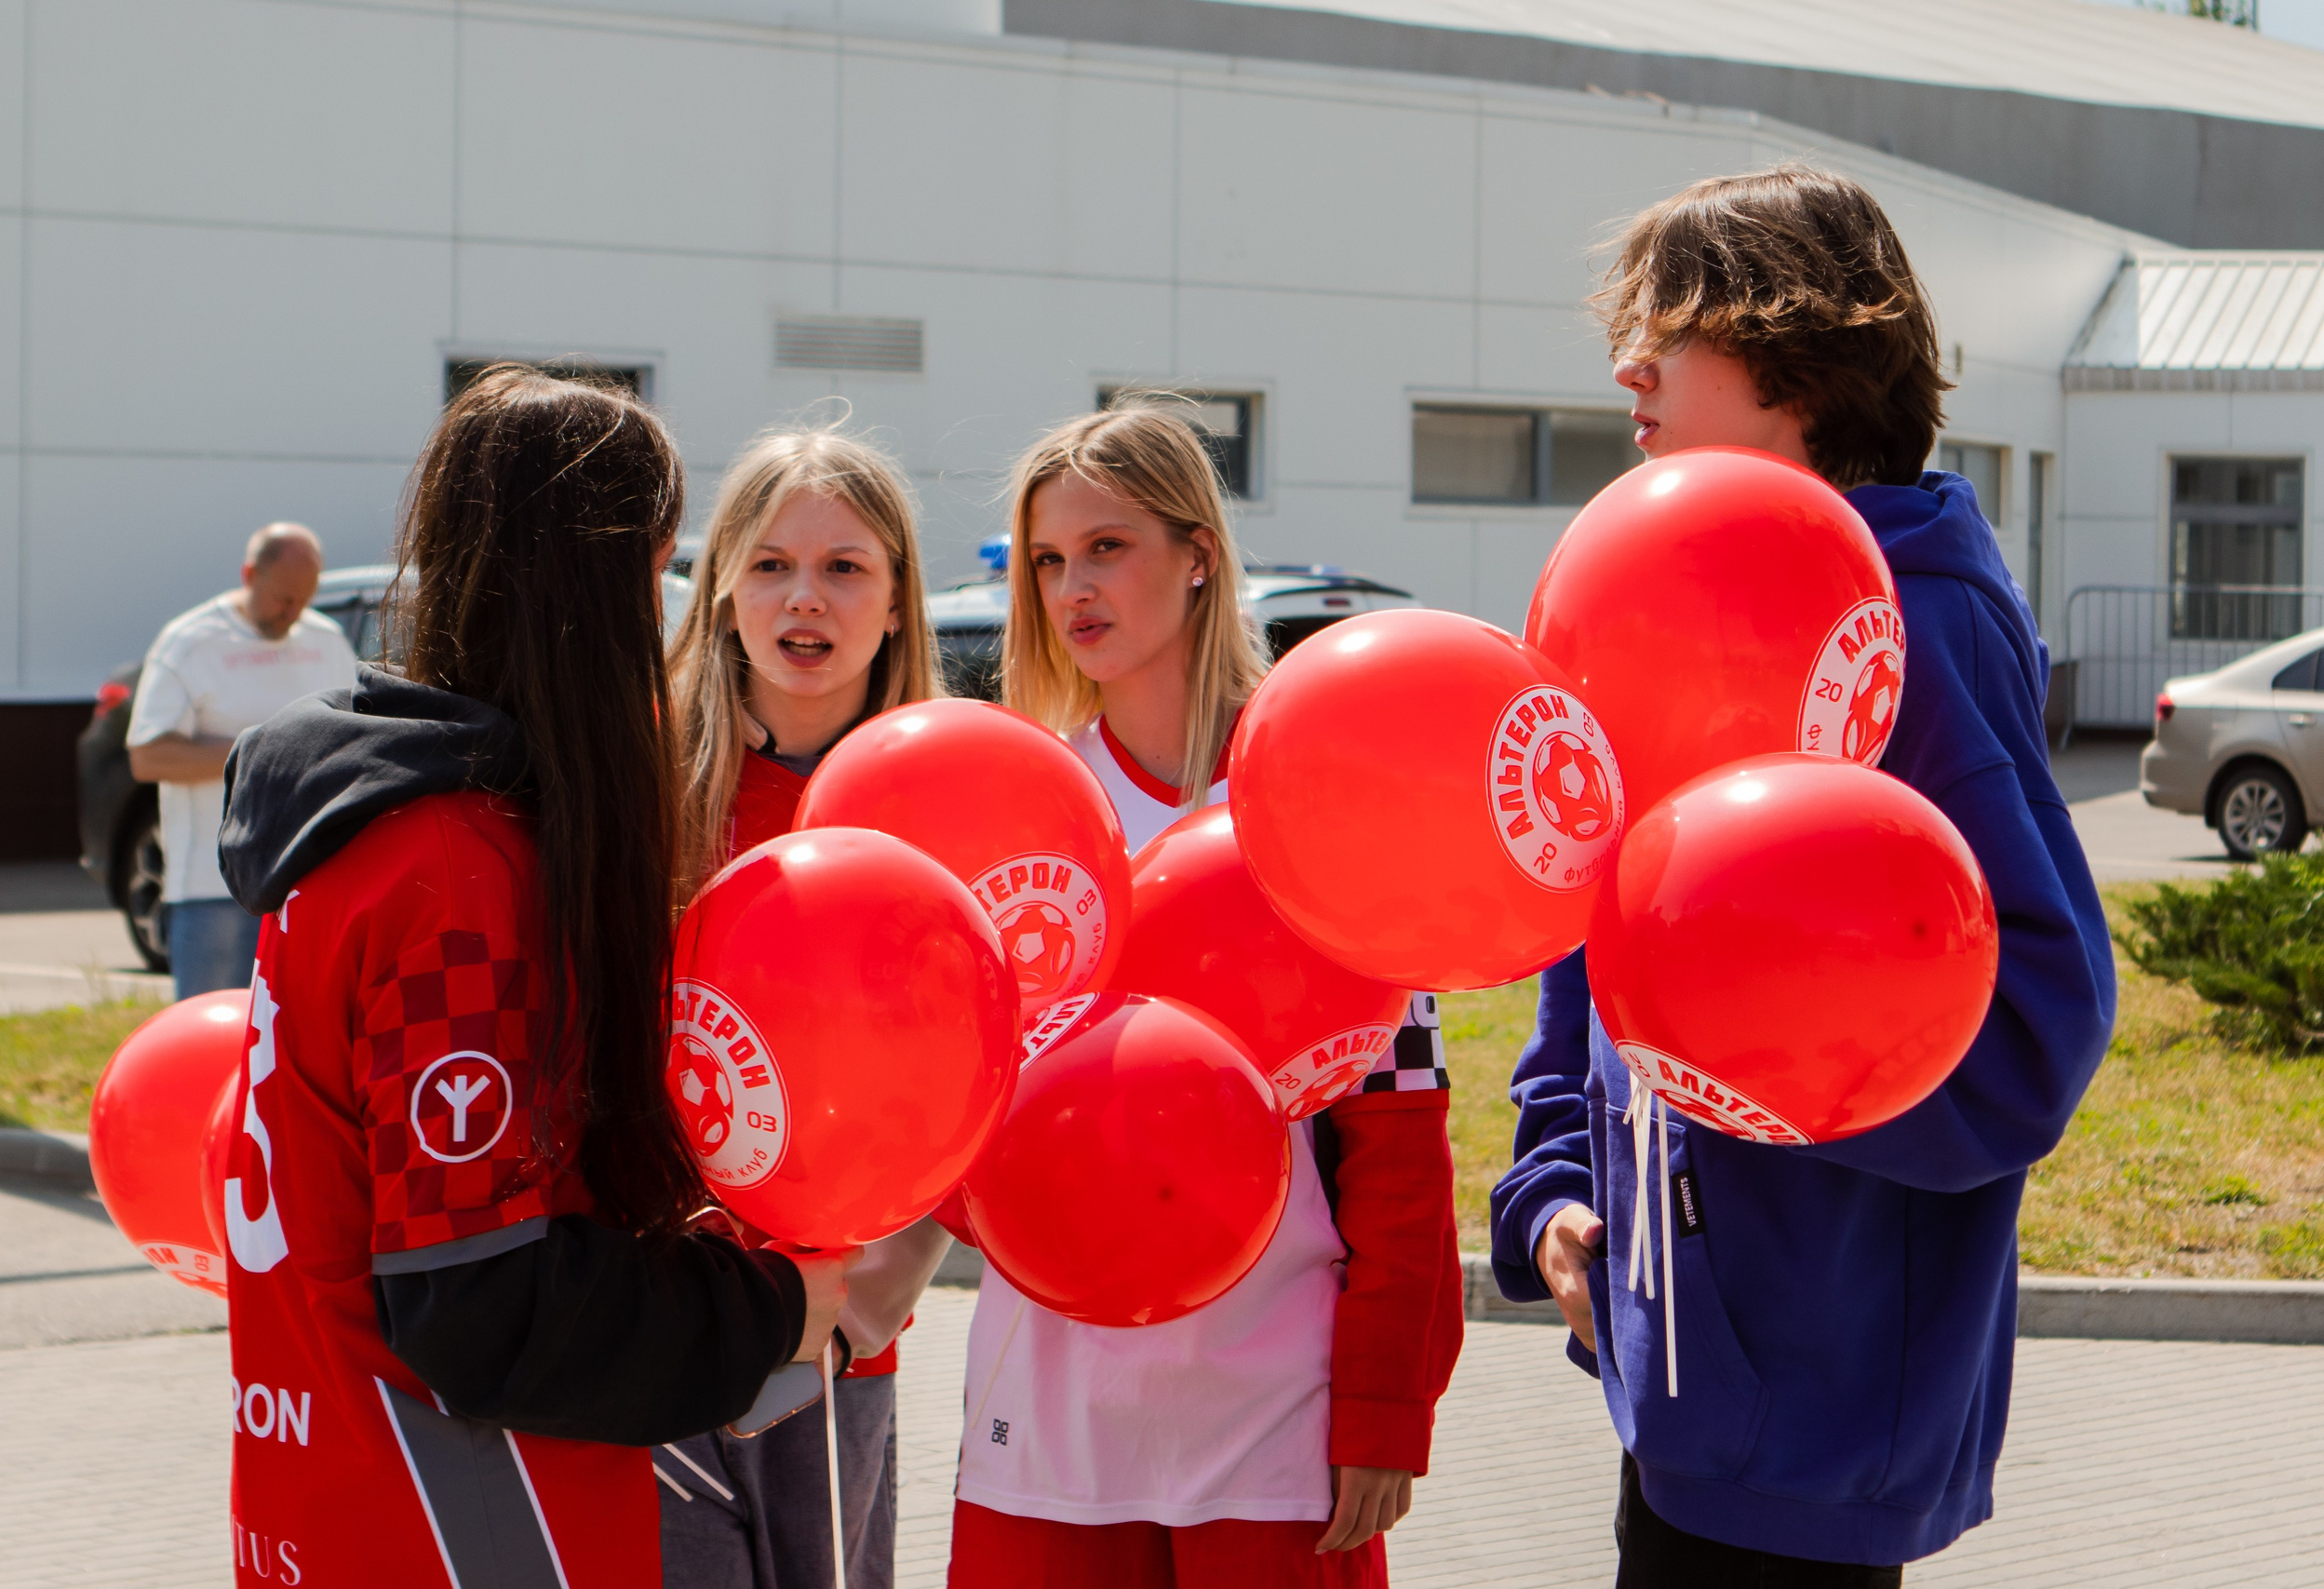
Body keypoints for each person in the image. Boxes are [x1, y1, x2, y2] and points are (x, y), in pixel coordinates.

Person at [1490, 167, 2116, 1586]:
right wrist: (1553, 1182)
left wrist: (1763, 1055)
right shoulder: (1666, 587)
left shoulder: (1919, 618)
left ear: (1802, 370)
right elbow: (1604, 919)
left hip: (1814, 1434)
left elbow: (2031, 1031)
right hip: (1673, 1392)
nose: (1625, 367)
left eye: (1674, 331)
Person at [215, 367, 853, 1586]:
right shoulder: (456, 873)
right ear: (612, 578)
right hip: (460, 1526)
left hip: (326, 1500)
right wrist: (773, 1303)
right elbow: (481, 1302)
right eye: (664, 569)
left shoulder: (363, 836)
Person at [946, 400, 1464, 1589]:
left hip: (1275, 1412)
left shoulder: (1311, 807)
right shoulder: (1012, 810)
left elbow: (1399, 1135)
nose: (1072, 586)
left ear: (1199, 555)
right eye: (1047, 559)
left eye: (1108, 546)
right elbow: (940, 1118)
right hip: (1050, 1409)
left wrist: (1387, 1400)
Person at [658, 425, 955, 1589]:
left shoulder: (944, 799)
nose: (805, 599)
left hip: (835, 1342)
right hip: (656, 1323)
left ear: (895, 605)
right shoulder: (648, 786)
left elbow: (995, 1066)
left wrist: (874, 1296)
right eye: (772, 564)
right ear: (724, 587)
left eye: (846, 568)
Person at [127, 522, 354, 998]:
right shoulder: (191, 642)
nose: (293, 613)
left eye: (305, 600)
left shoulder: (328, 641)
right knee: (210, 1040)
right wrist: (261, 750)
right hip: (212, 887)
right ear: (249, 573)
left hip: (303, 880)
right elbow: (147, 757)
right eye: (283, 598)